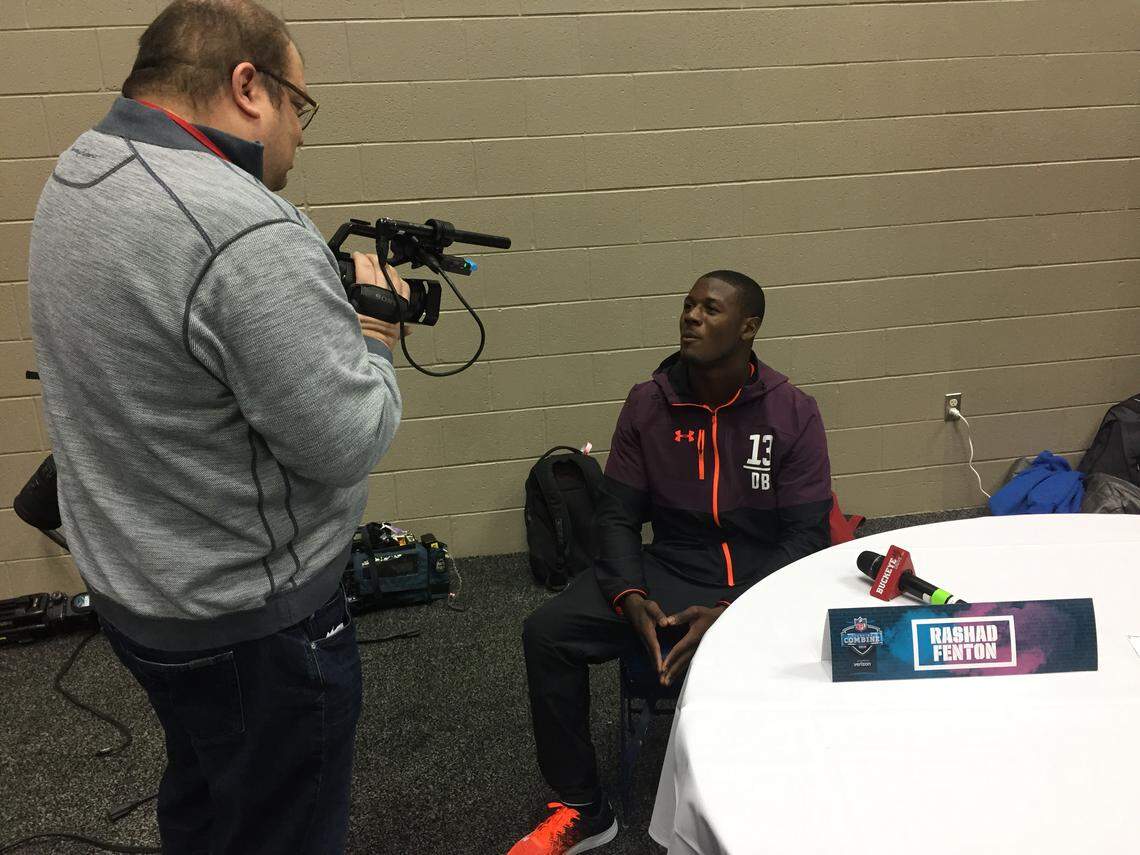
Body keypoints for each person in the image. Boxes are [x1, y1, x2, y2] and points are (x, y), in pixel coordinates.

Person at [26, 2, 408, 852]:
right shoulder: (245, 229)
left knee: (205, 796)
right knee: (281, 824)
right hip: (256, 627)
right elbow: (347, 438)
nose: (300, 138)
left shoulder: (83, 168)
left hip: (144, 599)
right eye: (298, 109)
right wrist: (374, 331)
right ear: (248, 87)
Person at [509, 270, 833, 854]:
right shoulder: (648, 404)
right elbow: (616, 518)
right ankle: (581, 806)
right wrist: (628, 594)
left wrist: (731, 611)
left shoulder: (792, 412)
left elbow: (806, 535)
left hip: (762, 573)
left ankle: (792, 800)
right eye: (688, 306)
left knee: (831, 645)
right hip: (674, 563)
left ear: (749, 327)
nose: (691, 317)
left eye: (710, 309)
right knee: (548, 632)